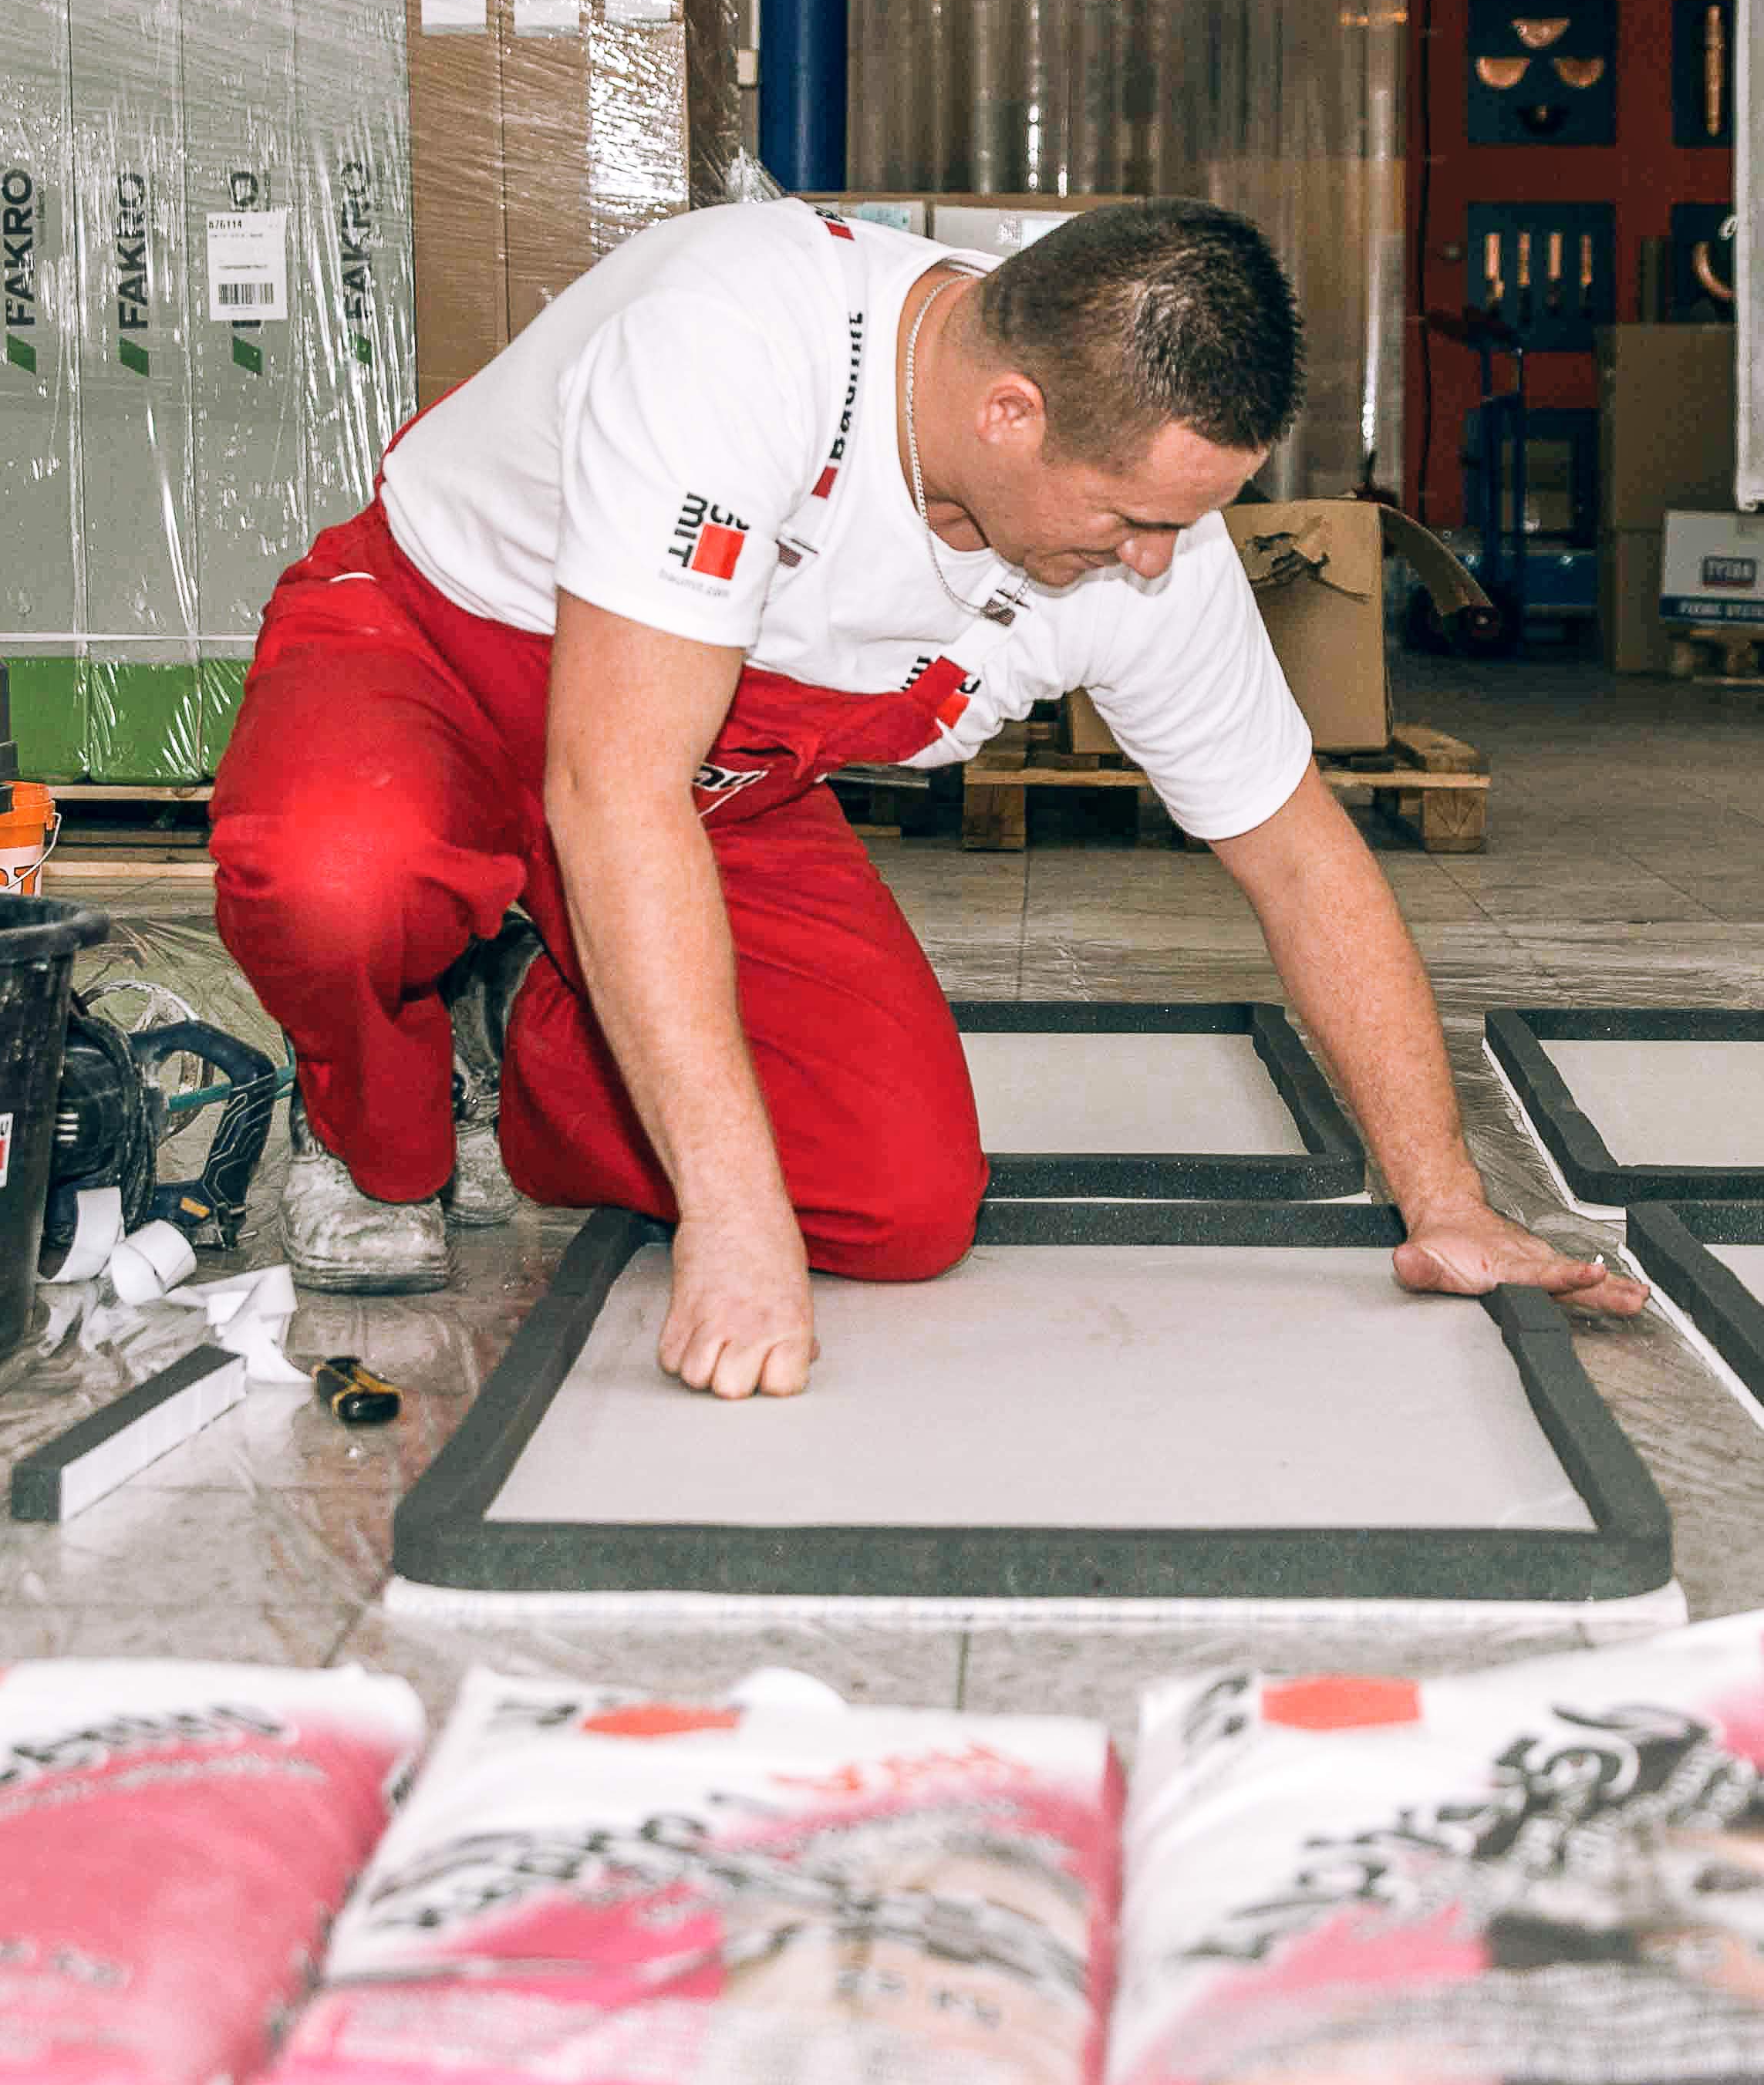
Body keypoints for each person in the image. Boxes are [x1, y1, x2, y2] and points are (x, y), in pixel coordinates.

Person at [210, 195, 1649, 1397]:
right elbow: (609, 786)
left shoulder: (1156, 550)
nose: (1158, 561)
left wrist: (1445, 1202)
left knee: (894, 1204)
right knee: (342, 878)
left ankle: (523, 1014)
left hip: (707, 781)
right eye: (1134, 519)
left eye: (1188, 521)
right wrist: (730, 1220)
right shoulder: (737, 342)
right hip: (443, 653)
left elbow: (1301, 861)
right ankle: (372, 1123)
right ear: (1011, 412)